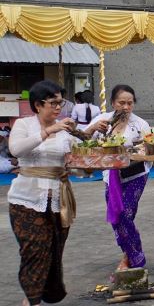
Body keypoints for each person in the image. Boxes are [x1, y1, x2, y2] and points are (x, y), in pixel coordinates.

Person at [7, 80, 107, 306]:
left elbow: (77, 163)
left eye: (60, 103)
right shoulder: (24, 125)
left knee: (53, 250)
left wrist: (93, 164)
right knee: (33, 249)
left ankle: (46, 293)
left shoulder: (65, 131)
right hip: (26, 199)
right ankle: (31, 300)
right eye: (53, 103)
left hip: (58, 198)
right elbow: (16, 149)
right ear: (38, 105)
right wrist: (47, 131)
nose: (58, 108)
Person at [88, 85, 152, 271]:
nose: (125, 107)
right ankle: (130, 251)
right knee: (117, 216)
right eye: (121, 103)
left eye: (129, 103)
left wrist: (139, 151)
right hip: (111, 176)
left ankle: (132, 257)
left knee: (125, 214)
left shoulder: (140, 124)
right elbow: (81, 140)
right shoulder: (102, 120)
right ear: (113, 103)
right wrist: (92, 128)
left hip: (136, 174)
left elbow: (149, 150)